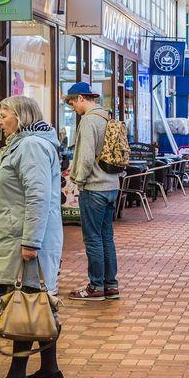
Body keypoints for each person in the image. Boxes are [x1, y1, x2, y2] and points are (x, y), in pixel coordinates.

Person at [0, 96, 65, 378]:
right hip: (20, 233)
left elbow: (38, 196)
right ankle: (49, 368)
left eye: (4, 115)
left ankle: (17, 377)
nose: (0, 121)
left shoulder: (31, 146)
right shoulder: (26, 143)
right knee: (39, 300)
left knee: (26, 299)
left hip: (28, 238)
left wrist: (31, 241)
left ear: (20, 117)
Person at [63, 82, 121, 301]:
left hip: (94, 188)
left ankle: (96, 287)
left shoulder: (88, 121)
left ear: (80, 99)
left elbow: (86, 157)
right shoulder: (107, 117)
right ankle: (111, 285)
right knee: (107, 237)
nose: (73, 109)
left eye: (72, 104)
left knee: (92, 239)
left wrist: (77, 179)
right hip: (111, 185)